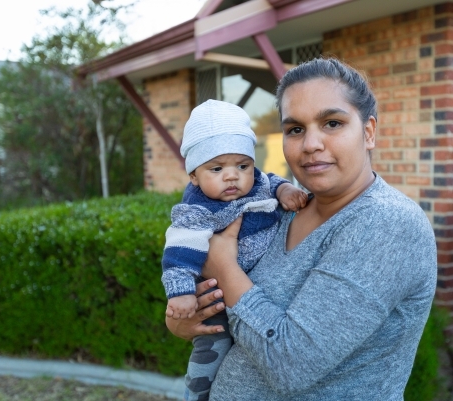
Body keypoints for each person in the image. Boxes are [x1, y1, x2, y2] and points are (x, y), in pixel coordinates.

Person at [166, 58, 437, 400]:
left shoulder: (388, 224)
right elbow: (241, 315)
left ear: (368, 132)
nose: (310, 144)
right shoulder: (286, 210)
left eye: (332, 123)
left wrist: (223, 267)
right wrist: (188, 319)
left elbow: (290, 363)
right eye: (295, 129)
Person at [161, 99, 307, 401]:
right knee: (212, 346)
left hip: (251, 291)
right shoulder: (197, 208)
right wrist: (181, 293)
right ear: (194, 176)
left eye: (243, 165)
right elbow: (179, 252)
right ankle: (196, 392)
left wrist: (286, 191)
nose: (232, 176)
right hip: (216, 296)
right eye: (217, 168)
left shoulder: (258, 183)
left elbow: (272, 181)